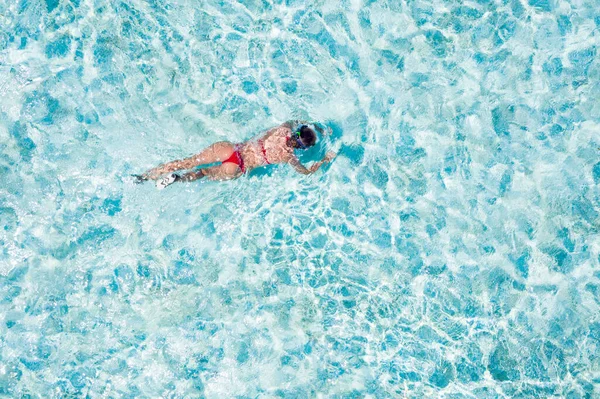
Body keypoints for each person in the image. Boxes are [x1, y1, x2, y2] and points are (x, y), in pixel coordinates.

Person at [133, 120, 336, 189]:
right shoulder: (289, 157)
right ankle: (178, 179)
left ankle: (145, 176)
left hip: (231, 149)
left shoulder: (284, 128)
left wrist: (316, 125)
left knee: (188, 161)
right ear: (302, 147)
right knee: (203, 173)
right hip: (237, 167)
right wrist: (325, 159)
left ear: (297, 131)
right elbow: (306, 172)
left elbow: (297, 119)